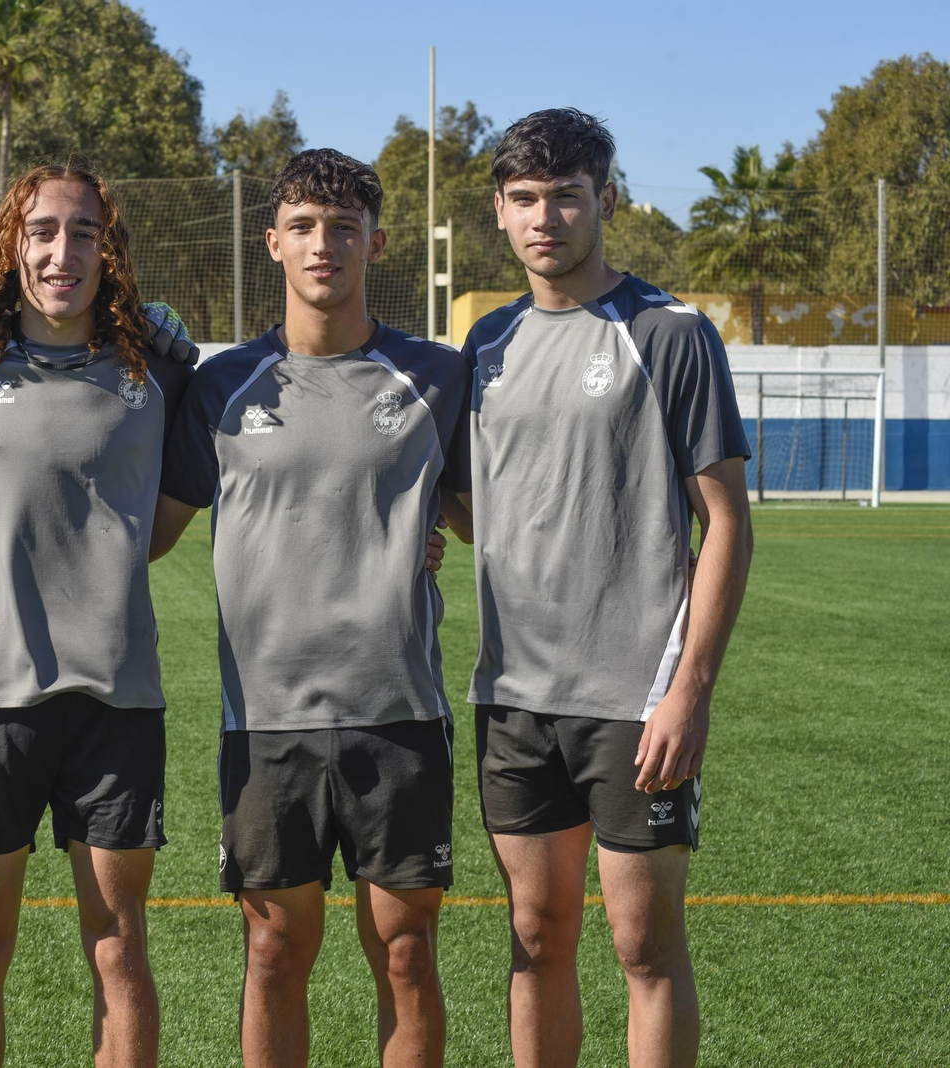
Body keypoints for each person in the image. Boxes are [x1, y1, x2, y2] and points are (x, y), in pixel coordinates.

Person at [152, 148, 469, 1068]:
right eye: (303, 227)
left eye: (342, 228)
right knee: (274, 952)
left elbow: (496, 516)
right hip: (266, 723)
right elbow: (145, 533)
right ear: (273, 243)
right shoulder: (221, 388)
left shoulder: (436, 379)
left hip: (400, 714)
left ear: (375, 240)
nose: (323, 245)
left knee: (406, 955)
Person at [455, 108, 753, 1068]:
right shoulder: (484, 346)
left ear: (606, 200)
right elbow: (475, 508)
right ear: (500, 212)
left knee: (644, 947)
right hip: (512, 698)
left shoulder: (668, 334)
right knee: (536, 941)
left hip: (634, 699)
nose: (547, 218)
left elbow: (730, 526)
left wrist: (688, 693)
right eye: (527, 199)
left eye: (568, 197)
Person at [0, 162, 198, 1068]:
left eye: (82, 232)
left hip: (118, 700)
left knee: (118, 950)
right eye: (41, 231)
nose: (61, 252)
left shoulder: (162, 369)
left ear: (108, 250)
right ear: (11, 246)